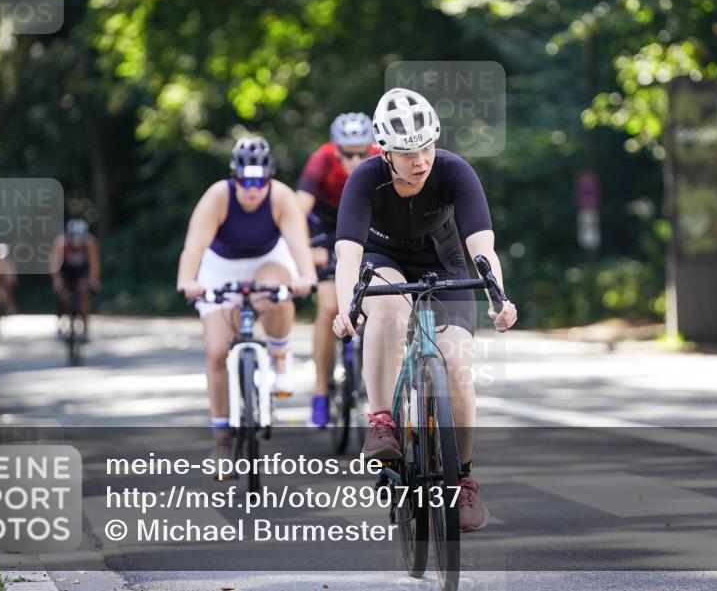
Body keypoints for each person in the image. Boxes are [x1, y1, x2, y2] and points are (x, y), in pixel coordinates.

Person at [331, 88, 518, 532]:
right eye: (407, 152)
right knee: (390, 310)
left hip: (445, 262)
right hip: (383, 261)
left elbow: (481, 246)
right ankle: (380, 421)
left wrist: (499, 297)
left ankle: (465, 480)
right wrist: (347, 310)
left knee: (457, 364)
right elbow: (348, 255)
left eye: (427, 147)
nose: (420, 160)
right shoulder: (362, 180)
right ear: (385, 152)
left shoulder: (455, 171)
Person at [176, 136, 317, 472]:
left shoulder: (282, 198)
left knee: (277, 295)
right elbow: (194, 247)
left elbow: (299, 246)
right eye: (245, 182)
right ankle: (222, 439)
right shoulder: (217, 197)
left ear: (268, 178)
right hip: (220, 265)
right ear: (234, 178)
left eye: (259, 182)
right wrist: (187, 281)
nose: (252, 190)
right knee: (215, 351)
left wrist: (306, 277)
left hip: (267, 259)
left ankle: (281, 356)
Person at [295, 112, 380, 427]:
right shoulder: (322, 159)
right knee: (330, 306)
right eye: (348, 153)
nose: (355, 159)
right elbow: (296, 210)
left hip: (367, 224)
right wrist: (306, 249)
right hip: (328, 228)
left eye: (362, 152)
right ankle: (319, 394)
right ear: (335, 149)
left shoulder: (380, 158)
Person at [50, 219, 101, 341]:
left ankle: (86, 329)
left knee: (83, 295)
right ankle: (59, 326)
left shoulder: (89, 242)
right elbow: (54, 264)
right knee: (63, 296)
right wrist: (57, 280)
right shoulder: (61, 243)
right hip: (65, 271)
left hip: (81, 272)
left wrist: (93, 279)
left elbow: (94, 263)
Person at [0, 243, 18, 314]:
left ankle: (10, 306)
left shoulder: (9, 262)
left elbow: (12, 276)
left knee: (8, 290)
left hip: (5, 282)